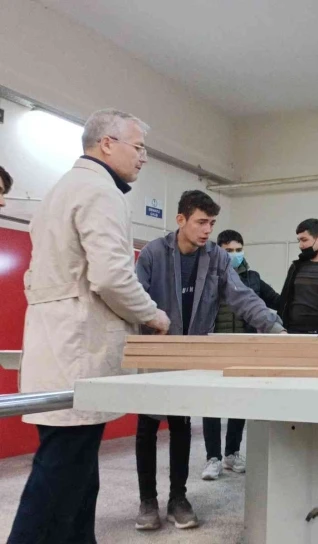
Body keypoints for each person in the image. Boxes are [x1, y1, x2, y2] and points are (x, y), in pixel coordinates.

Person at [8, 109, 171, 544]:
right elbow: (113, 277)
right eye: (139, 147)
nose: (143, 157)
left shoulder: (60, 190)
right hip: (77, 351)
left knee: (77, 473)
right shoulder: (101, 192)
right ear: (107, 144)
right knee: (59, 477)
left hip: (56, 348)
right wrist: (152, 314)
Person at [134, 191, 286, 531]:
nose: (207, 230)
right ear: (181, 220)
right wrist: (149, 325)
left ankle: (178, 498)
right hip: (156, 351)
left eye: (212, 223)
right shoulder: (153, 253)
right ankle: (147, 500)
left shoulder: (216, 257)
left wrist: (274, 327)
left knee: (181, 424)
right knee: (147, 426)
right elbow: (134, 296)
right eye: (201, 222)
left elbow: (242, 296)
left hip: (190, 355)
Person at [201, 229, 281, 481]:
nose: (234, 254)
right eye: (228, 250)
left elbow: (278, 300)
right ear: (219, 251)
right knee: (211, 403)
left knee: (238, 403)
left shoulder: (252, 278)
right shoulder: (208, 276)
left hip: (244, 349)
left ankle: (232, 453)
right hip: (215, 347)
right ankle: (213, 458)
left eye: (238, 250)